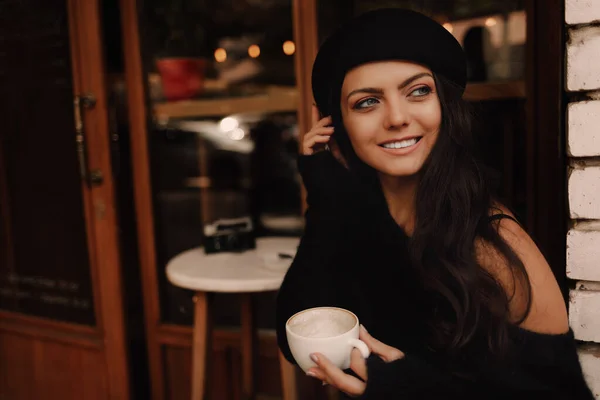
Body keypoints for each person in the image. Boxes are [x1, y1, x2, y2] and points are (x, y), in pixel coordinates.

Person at [275, 8, 594, 400]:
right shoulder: (359, 208)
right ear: (333, 121)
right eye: (367, 102)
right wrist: (324, 189)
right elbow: (297, 331)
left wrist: (407, 386)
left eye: (418, 91)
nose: (396, 117)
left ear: (444, 103)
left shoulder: (491, 241)